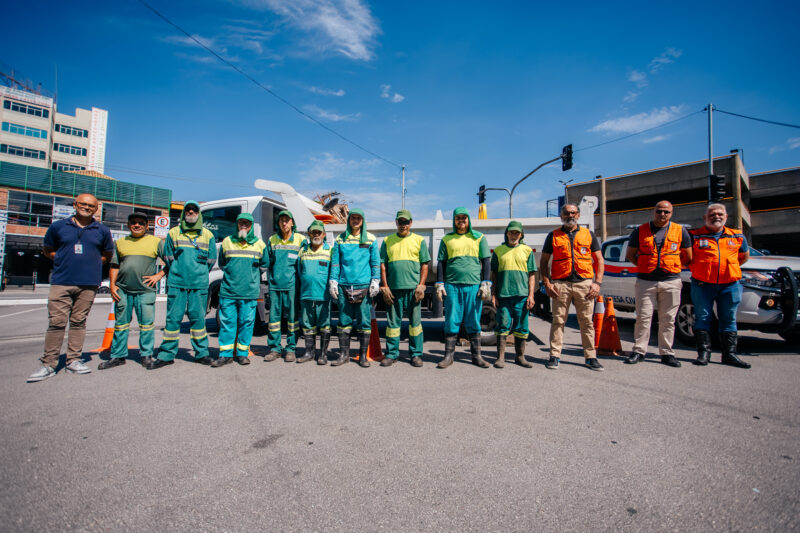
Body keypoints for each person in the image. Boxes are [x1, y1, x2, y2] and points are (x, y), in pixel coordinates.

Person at [27, 193, 114, 382]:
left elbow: (107, 253)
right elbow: (48, 249)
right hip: (61, 282)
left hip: (88, 284)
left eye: (91, 205)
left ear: (96, 208)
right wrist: (63, 260)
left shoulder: (102, 230)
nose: (87, 207)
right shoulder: (58, 227)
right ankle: (49, 363)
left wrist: (91, 263)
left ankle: (73, 360)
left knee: (78, 322)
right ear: (75, 205)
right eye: (83, 204)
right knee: (56, 323)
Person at [148, 201, 217, 369]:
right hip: (177, 283)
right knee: (173, 320)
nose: (191, 212)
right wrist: (180, 272)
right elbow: (169, 258)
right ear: (184, 213)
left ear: (199, 214)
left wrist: (197, 273)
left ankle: (201, 354)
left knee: (198, 320)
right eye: (188, 210)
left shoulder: (208, 235)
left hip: (198, 284)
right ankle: (166, 355)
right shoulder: (174, 233)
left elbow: (211, 260)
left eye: (194, 210)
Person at [624, 201, 692, 367]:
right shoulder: (640, 231)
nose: (662, 215)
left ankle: (667, 353)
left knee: (668, 319)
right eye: (659, 211)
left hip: (671, 281)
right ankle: (639, 351)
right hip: (646, 282)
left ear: (671, 213)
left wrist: (671, 268)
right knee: (643, 317)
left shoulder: (680, 231)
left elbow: (688, 257)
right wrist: (646, 266)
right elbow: (631, 255)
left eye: (666, 212)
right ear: (654, 212)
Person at [539, 204, 605, 371]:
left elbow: (599, 260)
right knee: (558, 321)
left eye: (573, 213)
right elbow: (544, 262)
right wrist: (547, 283)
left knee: (586, 322)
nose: (570, 216)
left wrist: (597, 283)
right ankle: (554, 356)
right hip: (560, 285)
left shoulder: (588, 235)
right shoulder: (553, 235)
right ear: (561, 215)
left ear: (578, 214)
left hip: (585, 284)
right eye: (567, 213)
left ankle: (590, 357)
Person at [100, 212, 165, 370]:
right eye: (134, 223)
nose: (137, 225)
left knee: (147, 325)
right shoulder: (121, 243)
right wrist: (113, 285)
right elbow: (115, 265)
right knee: (121, 325)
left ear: (147, 226)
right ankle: (118, 356)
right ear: (129, 225)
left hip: (145, 291)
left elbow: (170, 262)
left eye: (141, 223)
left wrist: (158, 275)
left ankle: (146, 355)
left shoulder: (156, 242)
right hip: (123, 290)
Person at [689, 203, 751, 368]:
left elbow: (743, 257)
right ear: (705, 218)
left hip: (730, 285)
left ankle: (729, 355)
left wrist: (727, 269)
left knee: (729, 318)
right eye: (712, 214)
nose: (716, 216)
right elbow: (686, 259)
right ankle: (703, 353)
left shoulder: (737, 236)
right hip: (702, 285)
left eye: (720, 214)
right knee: (702, 318)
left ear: (726, 217)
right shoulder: (694, 236)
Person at [435, 207, 492, 369]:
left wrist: (486, 282)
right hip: (452, 286)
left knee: (474, 320)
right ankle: (448, 356)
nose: (461, 221)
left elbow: (486, 261)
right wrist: (439, 284)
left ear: (469, 220)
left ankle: (477, 356)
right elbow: (441, 262)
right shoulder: (447, 239)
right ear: (454, 220)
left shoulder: (479, 238)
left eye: (464, 218)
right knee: (451, 320)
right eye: (458, 218)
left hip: (473, 286)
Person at [212, 213, 268, 367]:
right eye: (241, 223)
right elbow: (223, 264)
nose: (244, 226)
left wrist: (250, 277)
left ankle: (243, 354)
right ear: (237, 224)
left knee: (246, 323)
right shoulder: (227, 242)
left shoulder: (259, 244)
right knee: (227, 324)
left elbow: (265, 264)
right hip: (229, 291)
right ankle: (225, 354)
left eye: (247, 223)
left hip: (249, 292)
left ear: (251, 226)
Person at [328, 209, 380, 367]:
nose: (356, 220)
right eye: (353, 218)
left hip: (364, 286)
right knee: (344, 321)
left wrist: (375, 280)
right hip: (344, 285)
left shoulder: (370, 239)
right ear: (349, 220)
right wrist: (333, 281)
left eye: (359, 218)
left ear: (363, 220)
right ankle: (344, 355)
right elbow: (336, 262)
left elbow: (375, 262)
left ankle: (362, 356)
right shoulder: (340, 240)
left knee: (364, 323)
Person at [379, 210, 430, 367]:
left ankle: (415, 354)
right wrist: (385, 286)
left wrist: (421, 285)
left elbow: (424, 265)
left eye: (406, 222)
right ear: (396, 223)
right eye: (400, 222)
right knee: (393, 325)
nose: (403, 225)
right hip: (393, 290)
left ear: (411, 223)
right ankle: (392, 354)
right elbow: (383, 265)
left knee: (415, 325)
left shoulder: (419, 240)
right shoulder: (388, 241)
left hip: (413, 290)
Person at [491, 221, 537, 368]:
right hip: (503, 296)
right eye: (511, 232)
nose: (513, 235)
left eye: (517, 232)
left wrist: (531, 295)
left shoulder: (527, 251)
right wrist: (493, 294)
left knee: (521, 327)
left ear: (521, 234)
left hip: (522, 296)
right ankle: (500, 357)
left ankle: (520, 356)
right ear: (506, 233)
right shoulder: (498, 251)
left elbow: (531, 275)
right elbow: (494, 274)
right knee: (502, 325)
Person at [264, 210, 307, 362]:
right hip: (275, 285)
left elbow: (305, 263)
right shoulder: (272, 239)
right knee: (274, 320)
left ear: (292, 223)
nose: (284, 223)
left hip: (292, 286)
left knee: (292, 319)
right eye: (281, 220)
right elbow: (267, 262)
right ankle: (275, 348)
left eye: (287, 220)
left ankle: (291, 349)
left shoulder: (301, 240)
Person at [296, 220, 333, 365]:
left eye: (319, 232)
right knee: (307, 325)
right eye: (313, 232)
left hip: (323, 295)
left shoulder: (330, 250)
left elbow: (333, 272)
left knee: (324, 325)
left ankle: (323, 354)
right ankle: (309, 353)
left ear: (324, 234)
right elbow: (300, 271)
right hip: (306, 294)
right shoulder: (302, 251)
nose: (316, 235)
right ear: (309, 234)